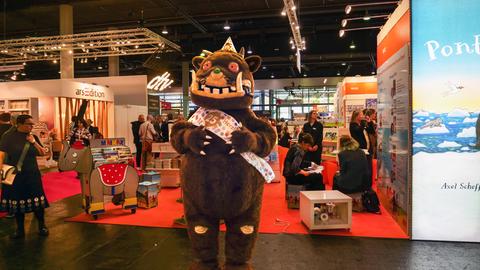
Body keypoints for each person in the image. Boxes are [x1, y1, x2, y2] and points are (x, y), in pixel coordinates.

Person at [0, 115, 49, 239]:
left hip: (32, 173)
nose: (31, 126)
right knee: (17, 202)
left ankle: (42, 225)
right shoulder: (8, 137)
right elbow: (1, 154)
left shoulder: (33, 137)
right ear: (19, 124)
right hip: (14, 174)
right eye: (29, 124)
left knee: (38, 200)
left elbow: (43, 153)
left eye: (32, 124)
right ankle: (20, 229)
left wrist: (33, 142)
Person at [349, 110, 372, 183]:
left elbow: (371, 131)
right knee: (363, 169)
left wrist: (369, 122)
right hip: (360, 150)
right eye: (361, 115)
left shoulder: (362, 124)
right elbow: (358, 131)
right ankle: (363, 184)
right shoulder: (353, 125)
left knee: (369, 168)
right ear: (357, 116)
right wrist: (363, 122)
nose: (363, 116)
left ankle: (368, 184)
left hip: (367, 149)